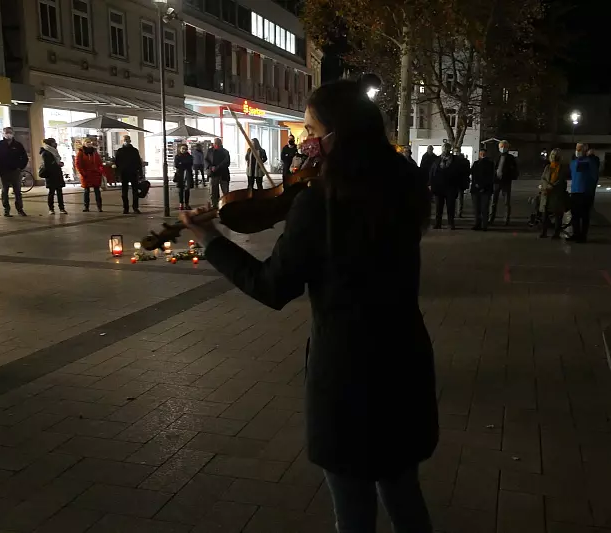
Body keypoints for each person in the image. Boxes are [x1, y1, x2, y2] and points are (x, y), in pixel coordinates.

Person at [180, 80, 437, 532]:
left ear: (338, 134)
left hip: (348, 374)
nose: (305, 141)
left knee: (353, 509)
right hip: (404, 360)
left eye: (311, 129)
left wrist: (211, 241)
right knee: (402, 491)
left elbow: (272, 286)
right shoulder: (405, 185)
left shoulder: (321, 202)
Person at [567, 143, 600, 242]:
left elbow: (593, 175)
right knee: (575, 215)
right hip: (576, 191)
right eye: (577, 148)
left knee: (584, 215)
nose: (577, 151)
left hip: (585, 192)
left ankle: (582, 236)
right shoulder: (576, 161)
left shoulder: (588, 162)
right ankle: (576, 234)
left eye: (579, 149)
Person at [0, 127, 29, 217]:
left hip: (15, 171)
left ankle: (20, 209)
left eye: (9, 132)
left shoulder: (18, 145)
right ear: (3, 134)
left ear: (13, 133)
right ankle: (6, 210)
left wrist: (20, 167)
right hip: (3, 172)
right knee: (4, 191)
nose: (8, 134)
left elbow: (24, 157)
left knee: (17, 191)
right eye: (6, 132)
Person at [539, 148, 570, 239]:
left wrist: (552, 186)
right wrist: (547, 186)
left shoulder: (562, 168)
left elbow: (561, 180)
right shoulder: (548, 167)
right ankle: (544, 232)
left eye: (556, 155)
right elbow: (543, 178)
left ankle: (556, 233)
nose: (554, 157)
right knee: (544, 214)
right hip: (547, 193)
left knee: (557, 215)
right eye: (552, 155)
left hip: (557, 194)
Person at [429, 143, 462, 230]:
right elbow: (432, 172)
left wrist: (458, 186)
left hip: (451, 187)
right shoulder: (437, 160)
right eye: (444, 148)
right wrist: (431, 184)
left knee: (450, 207)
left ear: (449, 149)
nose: (445, 150)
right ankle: (438, 223)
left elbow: (459, 174)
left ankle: (451, 223)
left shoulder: (455, 161)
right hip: (439, 187)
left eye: (447, 148)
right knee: (438, 207)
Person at [490, 140, 518, 225]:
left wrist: (509, 175)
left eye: (505, 147)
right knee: (493, 201)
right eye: (501, 146)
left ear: (508, 148)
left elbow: (515, 170)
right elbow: (492, 168)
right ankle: (491, 218)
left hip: (506, 181)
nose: (503, 148)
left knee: (507, 202)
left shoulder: (511, 158)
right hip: (496, 181)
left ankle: (506, 219)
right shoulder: (496, 157)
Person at [114, 135, 143, 214]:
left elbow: (138, 162)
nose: (126, 141)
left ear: (130, 141)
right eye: (125, 139)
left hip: (133, 172)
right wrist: (117, 174)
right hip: (124, 173)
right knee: (124, 192)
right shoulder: (120, 151)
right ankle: (125, 208)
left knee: (135, 191)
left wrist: (140, 173)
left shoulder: (134, 150)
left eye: (127, 139)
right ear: (122, 141)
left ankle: (135, 207)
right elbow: (116, 163)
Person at [469, 148, 495, 231]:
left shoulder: (490, 164)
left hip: (486, 189)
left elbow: (490, 177)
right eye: (481, 153)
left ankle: (484, 225)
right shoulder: (476, 163)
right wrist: (476, 184)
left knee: (484, 208)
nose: (482, 155)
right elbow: (473, 174)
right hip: (476, 189)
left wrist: (483, 186)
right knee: (476, 208)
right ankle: (477, 223)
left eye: (484, 153)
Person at [75, 139, 104, 212]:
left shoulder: (94, 152)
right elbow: (78, 164)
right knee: (86, 191)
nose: (89, 143)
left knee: (97, 191)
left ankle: (99, 207)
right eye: (87, 142)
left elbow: (99, 162)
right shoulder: (81, 152)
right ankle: (86, 207)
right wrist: (83, 173)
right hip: (86, 175)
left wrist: (100, 171)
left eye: (90, 142)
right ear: (84, 143)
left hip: (95, 174)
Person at [40, 138, 66, 215]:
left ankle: (62, 208)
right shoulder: (45, 152)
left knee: (59, 192)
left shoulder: (54, 151)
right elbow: (48, 164)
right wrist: (57, 164)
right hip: (50, 175)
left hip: (57, 174)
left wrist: (59, 164)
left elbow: (56, 161)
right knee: (51, 192)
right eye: (54, 142)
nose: (55, 144)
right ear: (50, 143)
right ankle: (51, 209)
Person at [207, 138, 231, 206]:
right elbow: (206, 160)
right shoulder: (210, 151)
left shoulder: (225, 152)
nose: (216, 145)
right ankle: (214, 204)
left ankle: (226, 204)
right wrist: (210, 167)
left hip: (223, 174)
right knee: (213, 191)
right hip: (213, 174)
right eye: (215, 143)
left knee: (225, 191)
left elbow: (227, 162)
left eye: (218, 143)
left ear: (220, 144)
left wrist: (217, 167)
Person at [174, 144, 194, 210]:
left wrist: (182, 163)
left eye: (185, 149)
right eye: (183, 149)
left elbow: (190, 164)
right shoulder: (177, 156)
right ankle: (181, 204)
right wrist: (184, 164)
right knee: (180, 190)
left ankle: (187, 204)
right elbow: (176, 165)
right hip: (180, 174)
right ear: (180, 149)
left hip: (187, 174)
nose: (184, 150)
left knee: (187, 190)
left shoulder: (190, 156)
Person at [457, 153, 471, 218]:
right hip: (462, 182)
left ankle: (454, 212)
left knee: (453, 198)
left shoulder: (455, 162)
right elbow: (468, 172)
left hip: (455, 182)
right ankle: (459, 212)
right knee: (460, 197)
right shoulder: (466, 162)